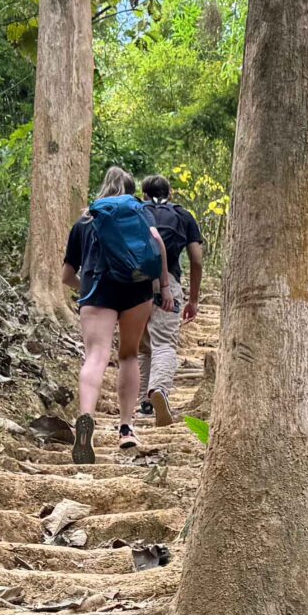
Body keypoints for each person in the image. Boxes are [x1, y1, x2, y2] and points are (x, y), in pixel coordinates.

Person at [61, 167, 167, 463]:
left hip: (97, 290)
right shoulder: (139, 212)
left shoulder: (85, 220)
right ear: (133, 191)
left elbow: (67, 275)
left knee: (95, 356)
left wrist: (87, 288)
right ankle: (126, 428)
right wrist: (163, 286)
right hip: (136, 291)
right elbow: (157, 243)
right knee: (129, 355)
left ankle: (86, 422)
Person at [136, 173, 205, 425]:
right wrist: (193, 300)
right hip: (167, 282)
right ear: (171, 193)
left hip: (133, 283)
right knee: (164, 343)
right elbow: (196, 260)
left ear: (143, 194)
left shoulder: (136, 210)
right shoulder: (183, 215)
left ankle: (144, 403)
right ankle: (159, 390)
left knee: (143, 346)